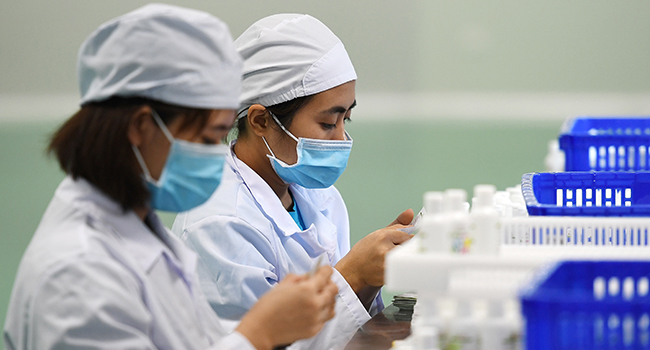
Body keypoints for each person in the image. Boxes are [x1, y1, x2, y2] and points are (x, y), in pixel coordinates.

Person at [3, 5, 338, 350]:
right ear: (141, 128)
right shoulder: (78, 273)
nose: (215, 156)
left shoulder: (137, 229)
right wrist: (258, 335)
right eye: (208, 139)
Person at [172, 13, 414, 349]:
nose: (342, 138)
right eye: (328, 123)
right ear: (260, 121)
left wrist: (373, 273)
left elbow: (345, 328)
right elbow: (266, 341)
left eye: (347, 117)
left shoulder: (317, 196)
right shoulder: (219, 224)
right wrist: (353, 274)